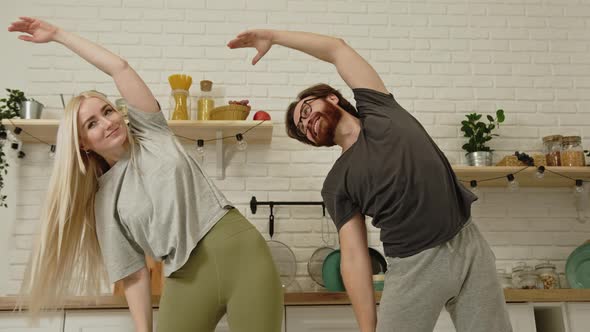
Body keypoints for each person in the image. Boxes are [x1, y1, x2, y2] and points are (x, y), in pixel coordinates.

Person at [9, 17, 283, 332]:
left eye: (107, 111)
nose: (107, 122)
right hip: (185, 275)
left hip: (240, 250)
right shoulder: (105, 202)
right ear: (83, 144)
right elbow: (134, 273)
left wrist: (58, 35)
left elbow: (120, 68)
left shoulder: (152, 132)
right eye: (91, 124)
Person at [228, 30, 512, 332]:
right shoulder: (337, 183)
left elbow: (336, 49)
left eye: (307, 110)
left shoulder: (379, 107)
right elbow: (352, 255)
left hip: (469, 244)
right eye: (302, 128)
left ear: (332, 98)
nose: (306, 122)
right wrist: (367, 327)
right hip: (414, 267)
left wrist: (273, 36)